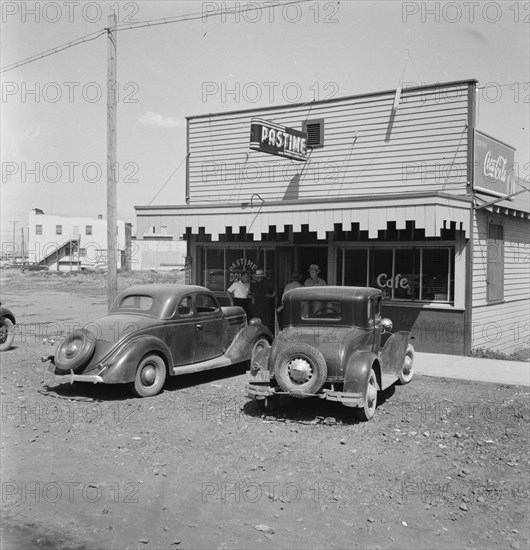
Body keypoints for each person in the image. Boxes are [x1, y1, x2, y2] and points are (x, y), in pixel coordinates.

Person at [250, 268, 276, 333]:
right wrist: (253, 299)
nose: (258, 279)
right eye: (257, 277)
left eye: (259, 277)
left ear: (262, 277)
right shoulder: (254, 284)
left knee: (267, 322)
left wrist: (272, 295)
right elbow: (253, 293)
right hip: (257, 306)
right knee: (258, 322)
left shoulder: (268, 282)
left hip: (266, 306)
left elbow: (276, 290)